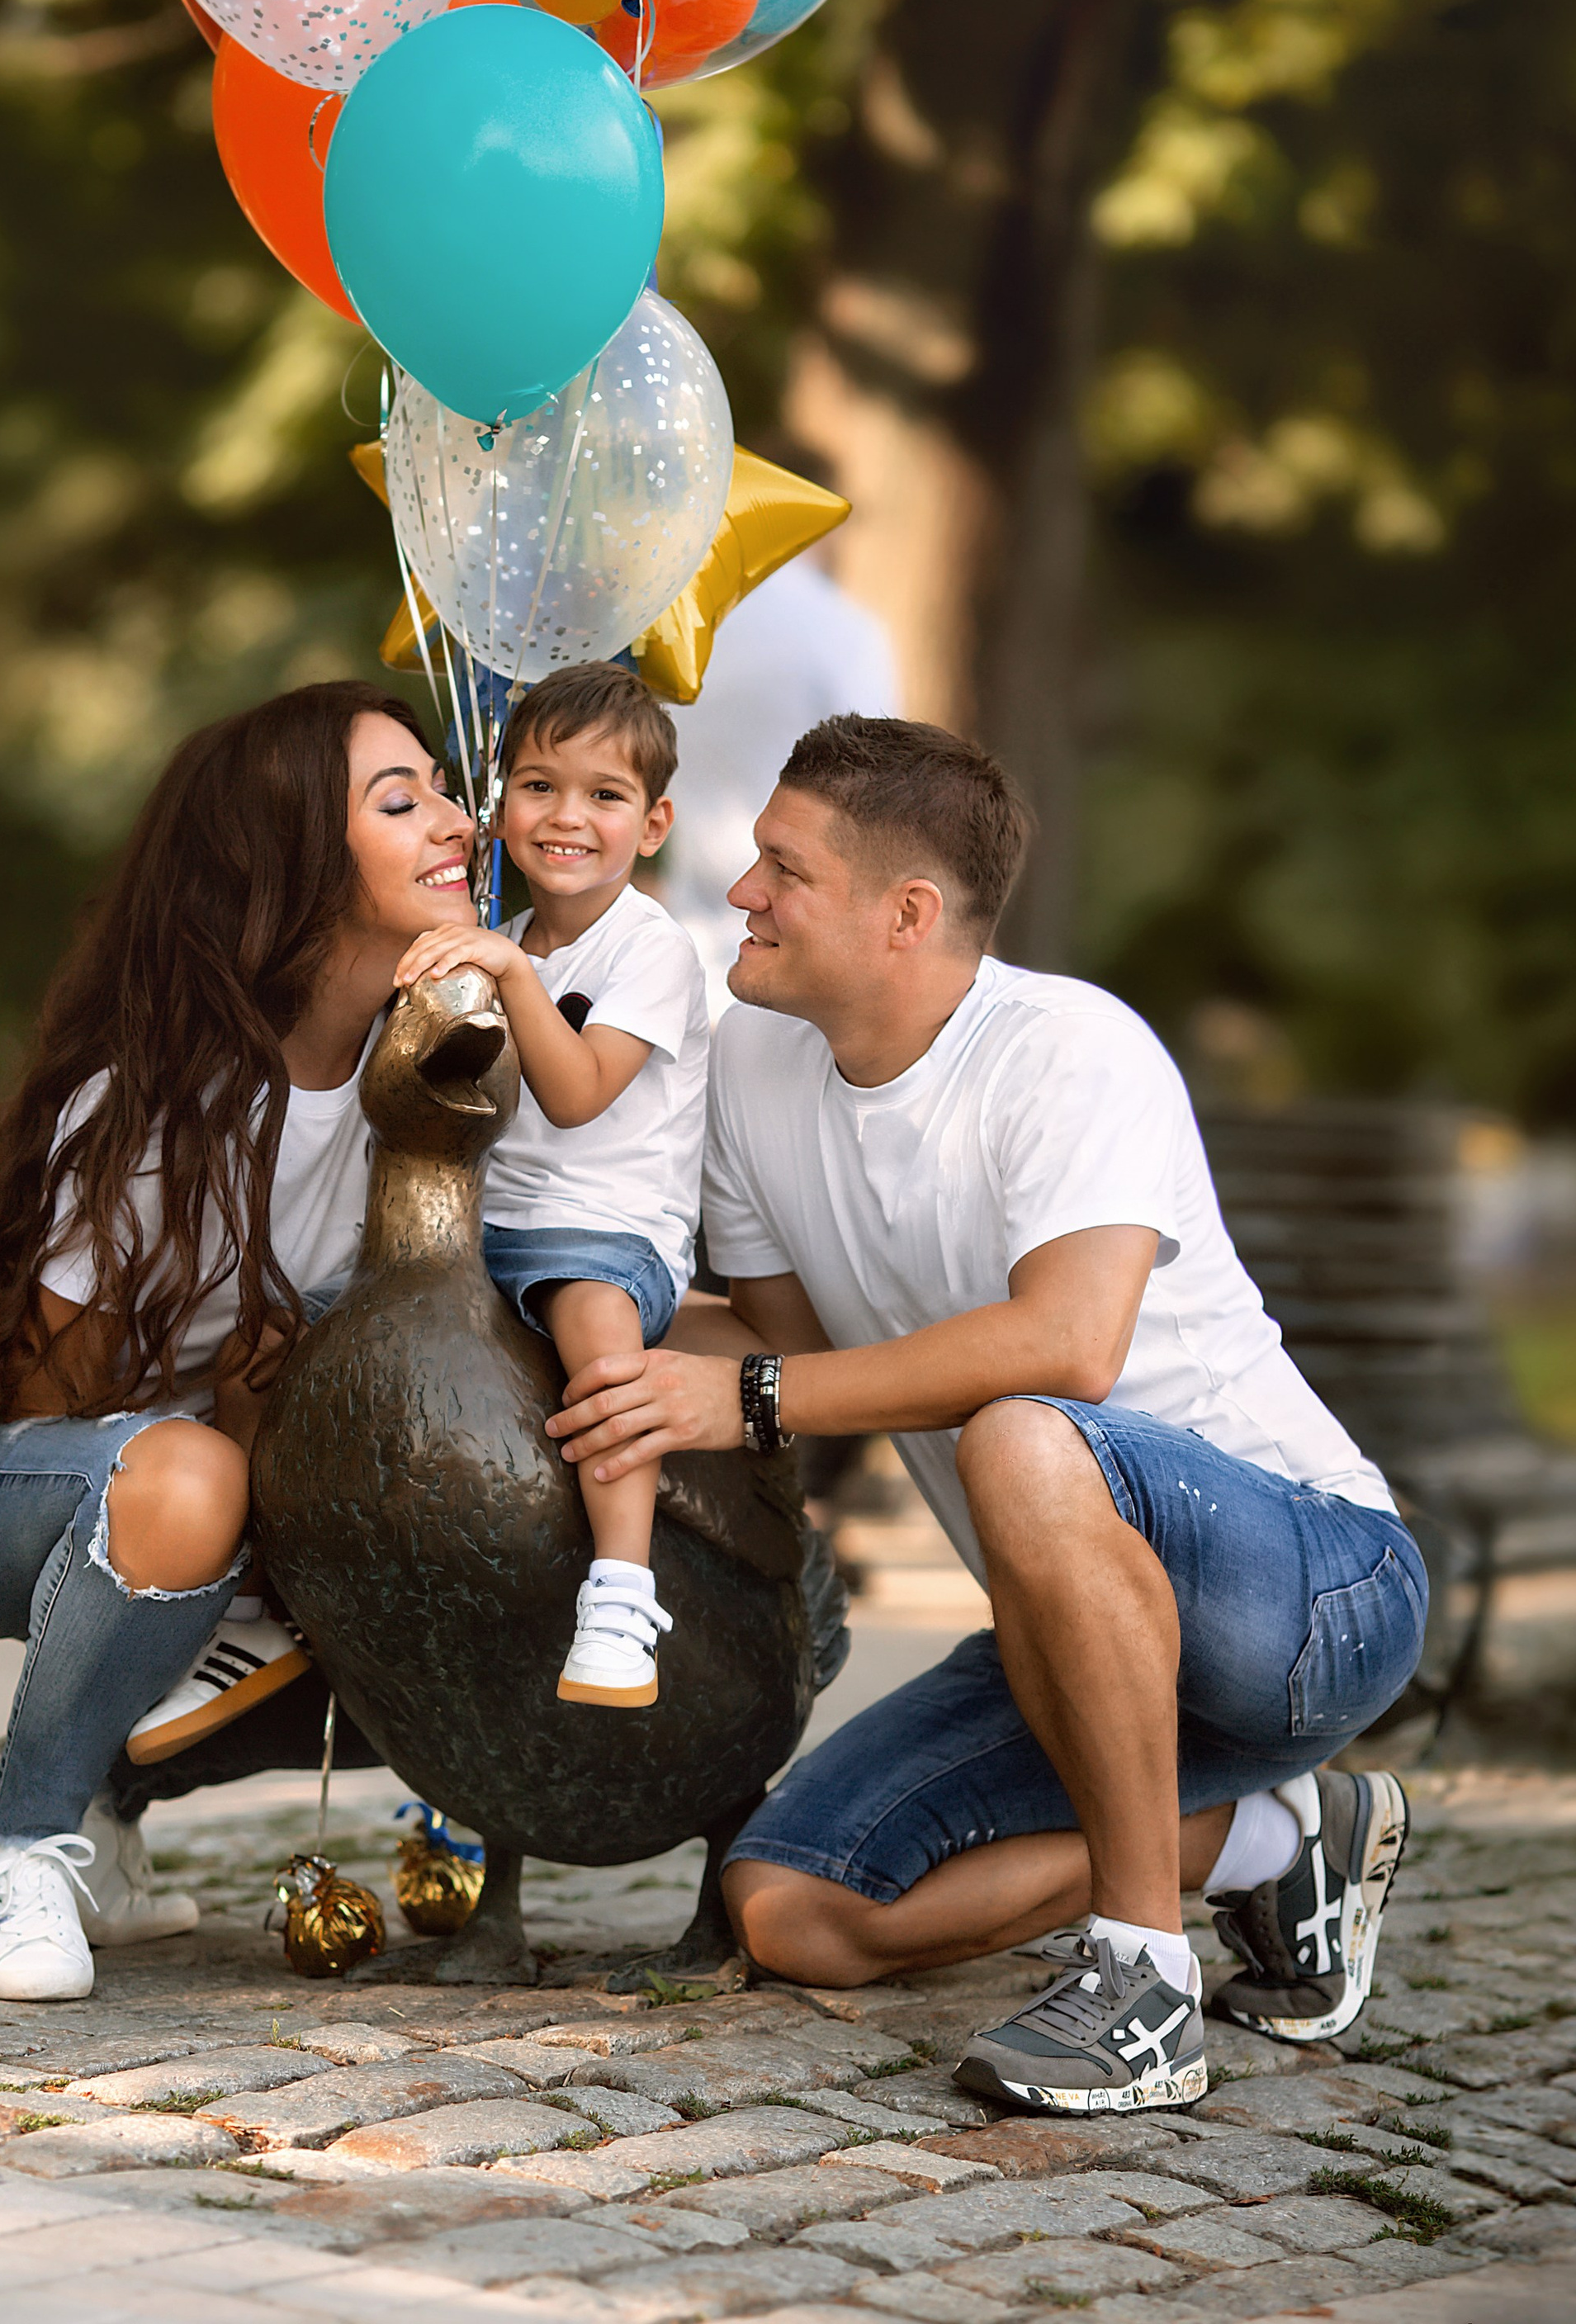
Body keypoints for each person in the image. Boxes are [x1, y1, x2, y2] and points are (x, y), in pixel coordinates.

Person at [543, 712, 1429, 2114]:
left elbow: (1068, 1347)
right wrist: (556, 1329)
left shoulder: (1072, 1050)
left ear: (907, 914)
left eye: (785, 869)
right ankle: (1270, 1844)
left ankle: (1142, 1984)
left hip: (1317, 1596)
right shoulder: (755, 1068)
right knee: (791, 1907)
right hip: (1072, 1630)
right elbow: (792, 1345)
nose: (742, 892)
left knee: (1021, 1427)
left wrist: (750, 1399)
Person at [0, 684, 477, 2003]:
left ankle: (102, 1799)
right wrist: (236, 1423)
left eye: (442, 787)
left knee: (421, 1592)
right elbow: (29, 1388)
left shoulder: (420, 1068)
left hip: (186, 1474)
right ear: (294, 861)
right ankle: (25, 1847)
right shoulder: (162, 1101)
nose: (456, 820)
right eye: (398, 799)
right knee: (192, 1480)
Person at [393, 665, 709, 1711]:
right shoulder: (500, 934)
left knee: (597, 1330)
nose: (566, 816)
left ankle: (620, 1589)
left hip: (605, 1227)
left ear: (652, 824)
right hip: (485, 1220)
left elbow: (575, 1095)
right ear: (498, 806)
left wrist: (511, 975)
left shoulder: (650, 949)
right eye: (538, 787)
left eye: (603, 795)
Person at [661, 551, 899, 1023]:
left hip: (688, 905)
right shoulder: (842, 629)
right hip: (803, 910)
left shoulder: (679, 622)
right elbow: (883, 779)